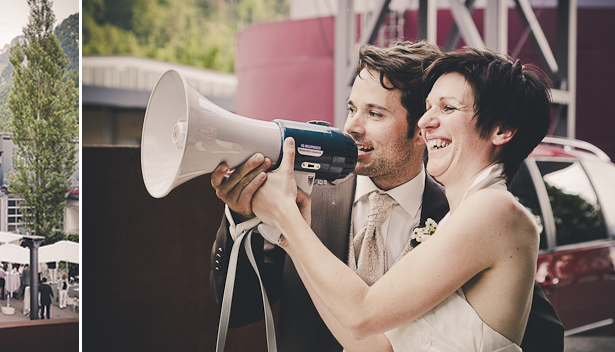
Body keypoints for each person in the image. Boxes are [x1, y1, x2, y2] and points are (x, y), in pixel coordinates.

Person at [210, 42, 563, 352]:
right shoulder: (454, 217)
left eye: (375, 113)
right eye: (351, 109)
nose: (350, 127)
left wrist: (286, 215)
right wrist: (279, 229)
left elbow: (363, 313)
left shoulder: (490, 211)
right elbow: (373, 345)